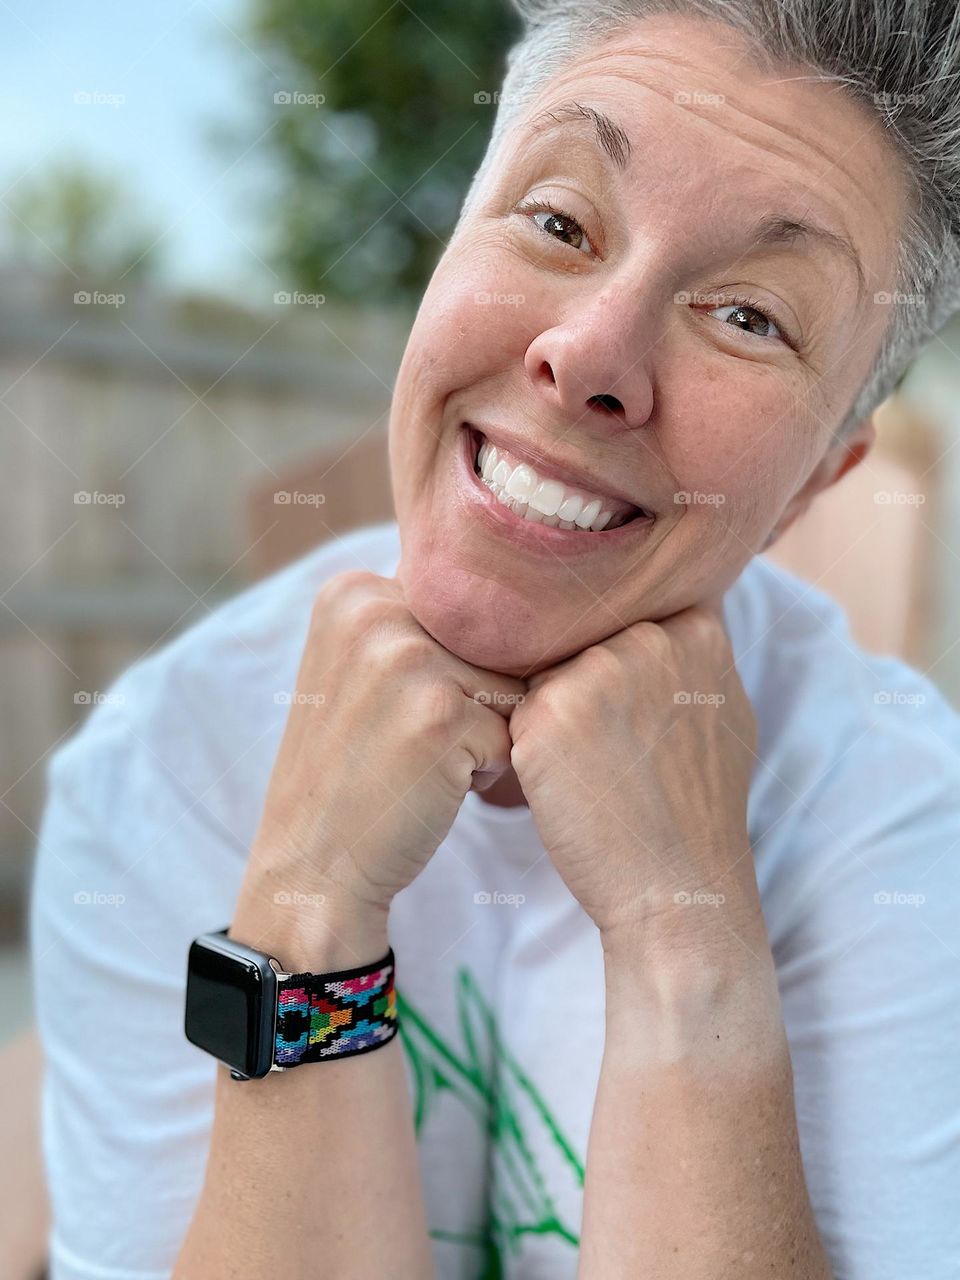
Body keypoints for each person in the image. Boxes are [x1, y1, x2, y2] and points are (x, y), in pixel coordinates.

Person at [30, 2, 960, 1277]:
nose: (589, 354)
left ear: (814, 483)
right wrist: (305, 910)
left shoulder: (907, 826)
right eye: (562, 224)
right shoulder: (159, 766)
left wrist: (685, 936)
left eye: (751, 316)